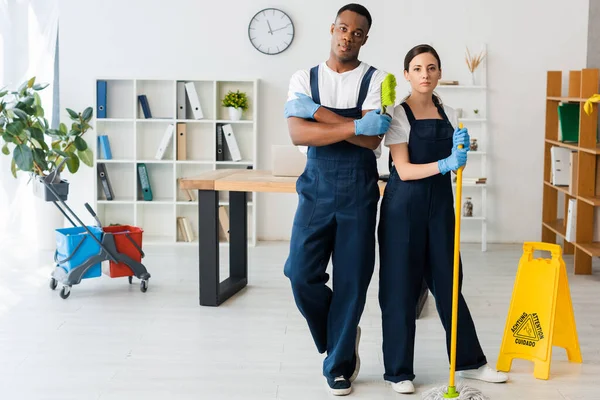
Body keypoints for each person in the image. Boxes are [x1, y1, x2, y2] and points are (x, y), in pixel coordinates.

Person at [377, 44, 509, 394]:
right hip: (403, 209)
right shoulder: (397, 114)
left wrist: (460, 154)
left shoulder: (450, 112)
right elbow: (403, 170)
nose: (425, 74)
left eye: (431, 68)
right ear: (406, 74)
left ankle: (469, 363)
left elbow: (455, 165)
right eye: (417, 68)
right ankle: (399, 372)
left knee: (450, 285)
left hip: (440, 209)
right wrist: (447, 164)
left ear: (439, 72)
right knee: (399, 289)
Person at [282, 3, 391, 396]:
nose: (348, 36)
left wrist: (316, 115)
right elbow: (298, 134)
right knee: (299, 273)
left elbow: (373, 139)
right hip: (315, 189)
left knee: (352, 281)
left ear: (365, 37)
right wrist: (353, 124)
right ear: (332, 29)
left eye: (357, 32)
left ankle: (339, 364)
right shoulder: (303, 77)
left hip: (359, 191)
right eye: (342, 28)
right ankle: (340, 334)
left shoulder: (378, 80)